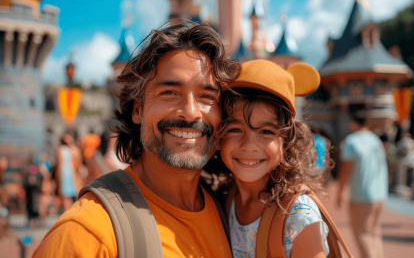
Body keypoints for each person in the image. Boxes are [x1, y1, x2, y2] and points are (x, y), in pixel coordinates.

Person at [33, 22, 241, 258]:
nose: (191, 112)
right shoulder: (87, 233)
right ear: (138, 109)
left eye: (207, 96)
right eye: (169, 92)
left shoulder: (229, 212)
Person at [219, 60, 333, 258]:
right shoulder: (226, 197)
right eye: (235, 129)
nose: (249, 145)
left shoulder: (298, 217)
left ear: (287, 140)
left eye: (266, 131)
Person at [338, 116, 388, 258]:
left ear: (354, 123)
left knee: (363, 235)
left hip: (362, 195)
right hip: (380, 194)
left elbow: (346, 169)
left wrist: (340, 192)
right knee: (374, 233)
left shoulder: (351, 140)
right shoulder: (375, 139)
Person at [55, 134, 79, 212]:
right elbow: (78, 164)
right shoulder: (74, 150)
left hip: (64, 174)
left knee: (65, 197)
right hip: (72, 174)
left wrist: (57, 176)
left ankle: (67, 213)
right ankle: (71, 213)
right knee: (72, 197)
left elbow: (60, 165)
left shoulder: (60, 149)